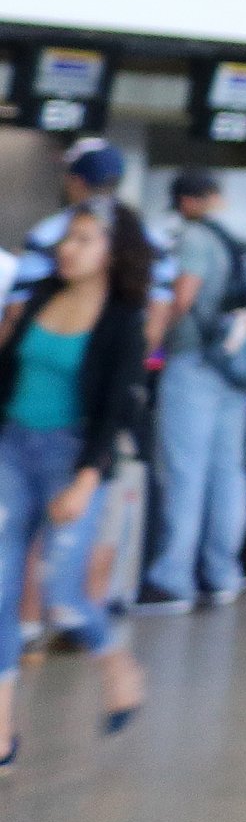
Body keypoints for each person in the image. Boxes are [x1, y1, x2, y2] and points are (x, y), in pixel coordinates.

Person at [0, 201, 151, 758]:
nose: (69, 248)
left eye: (85, 239)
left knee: (64, 596)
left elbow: (116, 409)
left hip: (72, 459)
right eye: (69, 237)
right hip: (11, 450)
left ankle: (115, 663)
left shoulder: (121, 322)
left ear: (114, 252)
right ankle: (0, 733)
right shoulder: (40, 299)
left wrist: (88, 478)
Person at [141, 168, 246, 614]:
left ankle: (172, 578)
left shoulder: (195, 237)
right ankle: (221, 574)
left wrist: (153, 339)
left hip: (195, 363)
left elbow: (182, 297)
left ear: (189, 201)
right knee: (228, 473)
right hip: (240, 366)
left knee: (183, 472)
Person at [8, 138, 133, 304]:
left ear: (76, 181)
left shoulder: (48, 233)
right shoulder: (142, 234)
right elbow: (158, 304)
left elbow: (18, 302)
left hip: (56, 325)